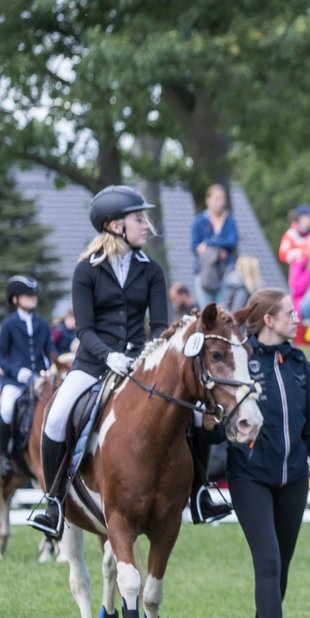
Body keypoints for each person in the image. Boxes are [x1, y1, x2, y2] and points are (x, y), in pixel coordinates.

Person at [30, 185, 229, 537]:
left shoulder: (151, 270)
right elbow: (84, 329)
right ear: (114, 225)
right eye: (138, 219)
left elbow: (162, 326)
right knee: (57, 416)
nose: (146, 226)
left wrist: (145, 356)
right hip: (93, 363)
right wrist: (108, 356)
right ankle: (54, 502)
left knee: (196, 413)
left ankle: (200, 492)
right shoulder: (86, 271)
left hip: (141, 363)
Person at [231, 290, 310, 618]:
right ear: (268, 320)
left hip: (294, 477)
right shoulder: (241, 361)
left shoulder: (299, 363)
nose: (296, 319)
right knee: (269, 561)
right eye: (289, 314)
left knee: (283, 565)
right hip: (249, 476)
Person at [0, 276, 56, 476]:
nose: (33, 298)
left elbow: (50, 351)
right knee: (6, 407)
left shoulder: (42, 324)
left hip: (39, 380)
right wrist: (18, 372)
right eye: (27, 295)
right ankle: (4, 457)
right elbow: (1, 357)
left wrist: (50, 367)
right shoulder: (8, 324)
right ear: (15, 299)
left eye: (34, 294)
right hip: (15, 381)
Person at [191, 183, 239, 307]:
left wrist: (208, 242)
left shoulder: (229, 220)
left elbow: (232, 242)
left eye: (223, 198)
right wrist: (218, 251)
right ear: (208, 200)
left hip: (224, 273)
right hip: (204, 272)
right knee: (206, 315)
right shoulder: (199, 221)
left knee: (223, 312)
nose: (220, 202)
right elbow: (194, 246)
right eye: (217, 198)